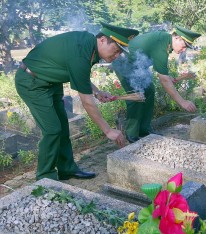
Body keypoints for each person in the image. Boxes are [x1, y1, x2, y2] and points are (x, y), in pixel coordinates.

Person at [15, 22, 139, 181]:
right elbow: (87, 102)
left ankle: (67, 169)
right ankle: (45, 178)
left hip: (52, 82)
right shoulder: (82, 50)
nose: (115, 57)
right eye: (115, 51)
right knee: (52, 130)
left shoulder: (91, 49)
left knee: (62, 127)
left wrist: (97, 91)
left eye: (119, 54)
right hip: (32, 82)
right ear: (102, 40)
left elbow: (81, 75)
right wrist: (108, 131)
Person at [113, 26, 201, 143]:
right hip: (124, 64)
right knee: (136, 96)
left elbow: (161, 69)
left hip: (138, 67)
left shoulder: (166, 42)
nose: (184, 50)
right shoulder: (161, 43)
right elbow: (163, 80)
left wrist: (167, 77)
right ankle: (131, 133)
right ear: (177, 38)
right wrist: (182, 102)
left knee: (149, 90)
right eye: (184, 46)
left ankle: (144, 130)